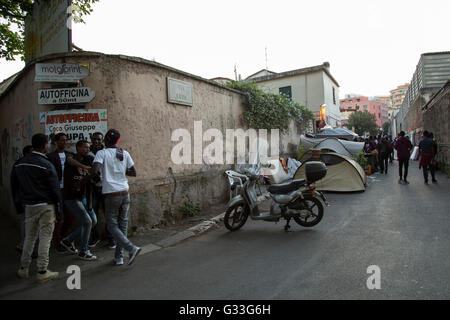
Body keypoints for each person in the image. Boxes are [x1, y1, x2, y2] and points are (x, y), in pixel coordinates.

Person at [11, 134, 62, 283]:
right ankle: (42, 270)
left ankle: (23, 268)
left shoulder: (20, 163)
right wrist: (59, 209)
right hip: (46, 205)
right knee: (45, 237)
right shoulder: (46, 164)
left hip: (29, 205)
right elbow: (55, 189)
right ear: (45, 145)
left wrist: (19, 206)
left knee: (29, 237)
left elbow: (15, 187)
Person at [93, 129, 141, 266]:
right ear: (118, 140)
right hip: (125, 192)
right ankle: (119, 257)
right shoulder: (124, 153)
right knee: (122, 225)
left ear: (106, 140)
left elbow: (95, 171)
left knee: (112, 225)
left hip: (111, 194)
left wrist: (99, 174)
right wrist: (119, 170)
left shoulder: (101, 153)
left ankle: (131, 248)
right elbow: (133, 172)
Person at [60, 140, 98, 260]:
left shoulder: (89, 159)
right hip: (71, 197)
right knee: (87, 222)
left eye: (88, 148)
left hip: (83, 197)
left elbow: (93, 173)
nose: (87, 149)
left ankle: (68, 240)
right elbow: (70, 161)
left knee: (93, 220)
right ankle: (83, 250)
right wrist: (83, 167)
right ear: (78, 147)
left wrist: (91, 172)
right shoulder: (71, 157)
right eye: (85, 147)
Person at [88, 132, 116, 249]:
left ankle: (111, 238)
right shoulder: (88, 153)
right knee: (92, 214)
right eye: (94, 139)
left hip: (106, 188)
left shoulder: (107, 153)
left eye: (99, 140)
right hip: (93, 188)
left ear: (103, 140)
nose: (96, 142)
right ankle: (95, 237)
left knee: (108, 214)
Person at [11, 145, 35, 255]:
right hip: (25, 200)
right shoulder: (19, 165)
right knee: (26, 223)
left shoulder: (33, 163)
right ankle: (24, 246)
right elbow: (14, 185)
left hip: (30, 200)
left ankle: (26, 246)